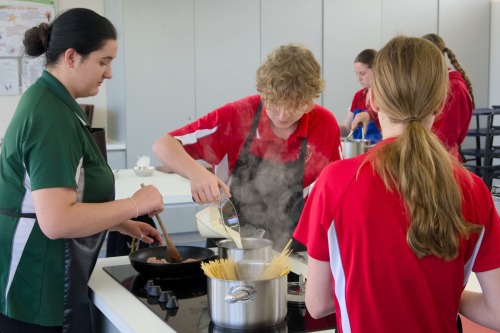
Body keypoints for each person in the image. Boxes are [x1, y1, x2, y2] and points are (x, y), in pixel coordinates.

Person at [294, 36, 500, 333]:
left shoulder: (335, 182)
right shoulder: (473, 189)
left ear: (373, 100)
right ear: (441, 102)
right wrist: (445, 293)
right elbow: (496, 313)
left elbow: (318, 303)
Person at [0, 8, 164, 333]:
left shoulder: (55, 102)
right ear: (72, 57)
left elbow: (56, 196)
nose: (110, 73)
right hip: (35, 286)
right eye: (104, 61)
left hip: (43, 278)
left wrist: (121, 223)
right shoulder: (49, 116)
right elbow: (56, 220)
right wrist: (135, 204)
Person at [153, 43, 342, 251]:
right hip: (231, 242)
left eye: (295, 106)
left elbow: (337, 186)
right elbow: (164, 145)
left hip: (295, 247)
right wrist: (196, 173)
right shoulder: (238, 115)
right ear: (262, 90)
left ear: (311, 100)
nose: (282, 116)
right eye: (274, 103)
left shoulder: (324, 124)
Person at [351, 34, 474, 160]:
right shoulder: (425, 82)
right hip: (410, 155)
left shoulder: (456, 88)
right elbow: (402, 102)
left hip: (436, 161)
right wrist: (370, 114)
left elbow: (446, 139)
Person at [339, 49, 382, 144]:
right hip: (360, 151)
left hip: (379, 150)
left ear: (376, 70)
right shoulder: (358, 96)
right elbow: (347, 128)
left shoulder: (384, 95)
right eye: (356, 74)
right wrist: (330, 129)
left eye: (362, 73)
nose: (359, 78)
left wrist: (369, 114)